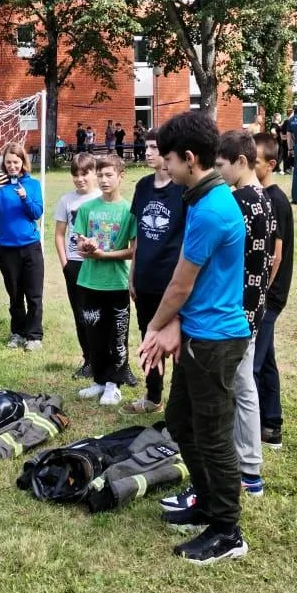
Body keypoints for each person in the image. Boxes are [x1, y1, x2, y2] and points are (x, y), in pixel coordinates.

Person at [140, 111, 251, 564]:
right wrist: (177, 326)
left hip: (215, 342)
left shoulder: (211, 210)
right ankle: (205, 501)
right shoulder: (201, 198)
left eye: (168, 158)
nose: (163, 166)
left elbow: (182, 285)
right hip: (197, 335)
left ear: (189, 158)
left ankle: (227, 530)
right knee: (183, 422)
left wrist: (155, 325)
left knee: (214, 436)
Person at [215, 130, 275, 497]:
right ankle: (247, 464)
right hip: (253, 302)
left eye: (221, 165)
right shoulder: (264, 197)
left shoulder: (240, 201)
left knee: (240, 386)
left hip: (239, 307)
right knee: (243, 384)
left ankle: (249, 469)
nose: (218, 172)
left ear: (241, 162)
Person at [125, 129, 186, 414]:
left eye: (153, 148)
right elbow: (137, 234)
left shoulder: (183, 189)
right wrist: (133, 273)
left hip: (172, 281)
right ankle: (153, 396)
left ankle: (180, 401)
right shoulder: (143, 186)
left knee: (177, 343)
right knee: (148, 337)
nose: (147, 152)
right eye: (146, 147)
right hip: (145, 278)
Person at [74, 154, 137, 407]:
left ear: (121, 177)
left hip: (117, 283)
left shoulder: (128, 210)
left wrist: (106, 255)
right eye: (100, 175)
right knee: (94, 336)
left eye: (109, 175)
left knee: (116, 337)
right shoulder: (87, 208)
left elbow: (134, 250)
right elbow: (78, 245)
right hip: (90, 281)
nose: (103, 179)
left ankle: (114, 384)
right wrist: (86, 246)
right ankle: (99, 381)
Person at [0, 143, 45, 350]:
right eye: (8, 162)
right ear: (4, 163)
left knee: (34, 294)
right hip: (7, 249)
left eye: (16, 162)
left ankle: (34, 336)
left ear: (22, 162)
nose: (12, 166)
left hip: (30, 247)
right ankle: (18, 332)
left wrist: (25, 198)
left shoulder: (33, 184)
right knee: (15, 295)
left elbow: (37, 213)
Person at [253, 133, 293, 448]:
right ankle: (272, 425)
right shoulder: (260, 196)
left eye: (254, 163)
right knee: (265, 360)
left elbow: (275, 256)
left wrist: (260, 294)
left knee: (252, 363)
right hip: (264, 297)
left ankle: (251, 429)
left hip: (267, 297)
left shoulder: (274, 200)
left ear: (271, 164)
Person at [53, 152, 100, 379]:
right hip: (75, 265)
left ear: (94, 174)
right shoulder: (66, 201)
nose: (80, 179)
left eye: (85, 173)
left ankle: (109, 361)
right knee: (81, 315)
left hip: (99, 265)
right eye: (76, 175)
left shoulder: (102, 198)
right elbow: (60, 234)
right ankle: (89, 359)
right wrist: (65, 263)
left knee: (101, 315)